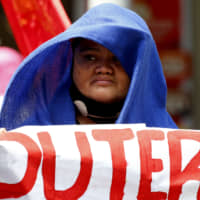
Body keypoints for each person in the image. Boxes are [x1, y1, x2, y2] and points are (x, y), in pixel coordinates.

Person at [0, 3, 177, 130]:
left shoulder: (172, 149)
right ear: (71, 62)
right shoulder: (29, 134)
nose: (104, 68)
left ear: (140, 68)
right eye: (90, 57)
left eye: (118, 59)